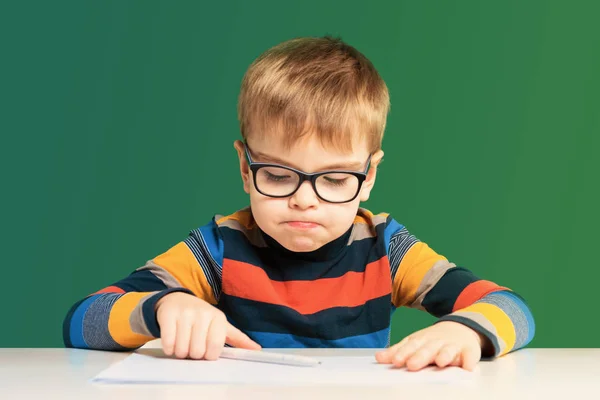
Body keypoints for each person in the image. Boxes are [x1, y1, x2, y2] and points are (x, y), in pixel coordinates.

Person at [63, 36, 535, 372]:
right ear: (246, 170)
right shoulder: (219, 247)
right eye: (277, 174)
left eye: (334, 179)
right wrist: (160, 308)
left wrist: (468, 331)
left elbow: (510, 308)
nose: (303, 200)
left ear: (368, 176)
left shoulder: (386, 248)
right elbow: (82, 321)